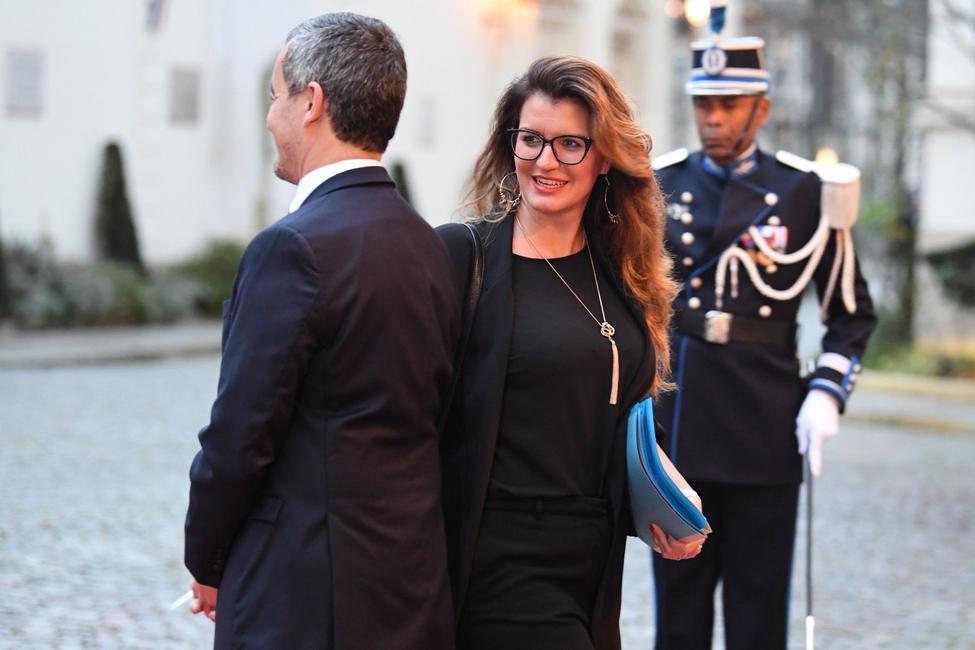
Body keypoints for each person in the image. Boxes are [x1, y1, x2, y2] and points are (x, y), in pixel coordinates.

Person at [182, 13, 458, 649]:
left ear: (313, 102)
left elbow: (240, 436)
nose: (270, 116)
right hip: (408, 583)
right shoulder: (428, 244)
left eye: (276, 96)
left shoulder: (292, 248)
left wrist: (207, 557)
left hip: (305, 593)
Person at [436, 56, 706, 650]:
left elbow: (610, 412)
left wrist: (663, 490)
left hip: (592, 559)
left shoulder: (621, 270)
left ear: (604, 156)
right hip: (497, 554)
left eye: (570, 145)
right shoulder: (462, 257)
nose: (546, 161)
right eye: (531, 139)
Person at [650, 29, 877, 650]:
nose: (713, 118)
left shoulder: (806, 193)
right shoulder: (657, 186)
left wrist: (826, 393)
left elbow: (851, 313)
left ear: (762, 108)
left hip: (765, 427)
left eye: (729, 104)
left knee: (758, 616)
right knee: (679, 617)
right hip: (680, 427)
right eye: (703, 103)